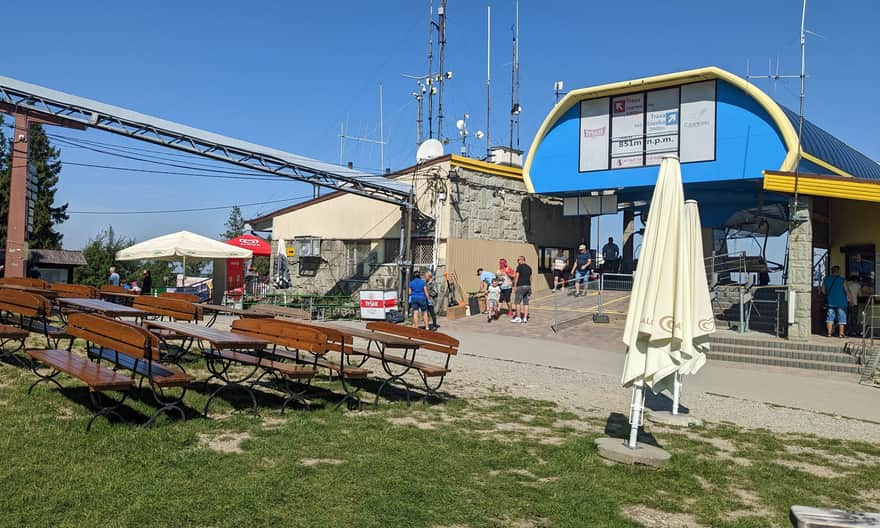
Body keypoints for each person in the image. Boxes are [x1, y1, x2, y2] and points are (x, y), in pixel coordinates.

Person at [821, 265, 852, 338]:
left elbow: (823, 290)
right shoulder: (842, 280)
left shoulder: (826, 279)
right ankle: (841, 334)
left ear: (832, 272)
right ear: (838, 271)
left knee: (829, 318)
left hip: (830, 301)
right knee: (842, 318)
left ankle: (829, 333)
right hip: (841, 302)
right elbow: (847, 290)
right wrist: (851, 300)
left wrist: (829, 294)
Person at [511, 255, 532, 324]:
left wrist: (514, 286)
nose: (517, 261)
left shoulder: (519, 267)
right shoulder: (529, 268)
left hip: (521, 286)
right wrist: (529, 286)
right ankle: (525, 318)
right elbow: (530, 278)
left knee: (517, 302)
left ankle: (518, 318)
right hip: (528, 286)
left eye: (518, 260)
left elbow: (517, 276)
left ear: (522, 260)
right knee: (526, 303)